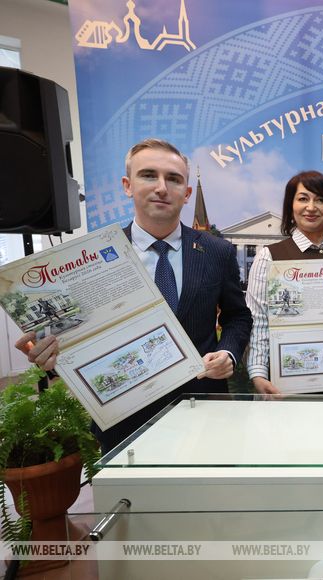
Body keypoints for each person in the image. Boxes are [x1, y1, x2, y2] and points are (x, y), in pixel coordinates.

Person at [16, 138, 253, 452]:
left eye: (173, 179)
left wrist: (228, 353)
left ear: (186, 193)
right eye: (148, 175)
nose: (161, 187)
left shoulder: (217, 251)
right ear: (128, 186)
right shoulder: (90, 259)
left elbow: (238, 317)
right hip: (123, 417)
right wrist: (50, 357)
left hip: (204, 404)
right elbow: (75, 337)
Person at [245, 170, 323, 394]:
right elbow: (259, 321)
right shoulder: (269, 256)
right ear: (291, 207)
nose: (311, 207)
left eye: (320, 200)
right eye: (303, 199)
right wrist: (258, 373)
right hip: (286, 379)